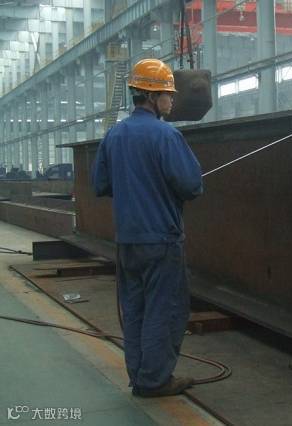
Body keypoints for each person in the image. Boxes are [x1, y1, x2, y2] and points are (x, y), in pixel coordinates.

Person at [92, 58, 203, 397]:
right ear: (152, 96)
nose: (172, 99)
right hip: (162, 240)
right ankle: (155, 380)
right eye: (168, 94)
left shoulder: (114, 135)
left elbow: (100, 184)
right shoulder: (167, 135)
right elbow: (192, 185)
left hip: (128, 241)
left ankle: (140, 376)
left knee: (136, 310)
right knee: (164, 310)